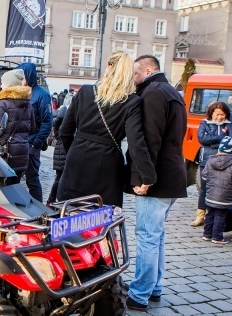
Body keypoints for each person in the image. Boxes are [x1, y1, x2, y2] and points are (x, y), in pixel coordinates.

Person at [126, 54, 187, 312]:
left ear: (149, 70)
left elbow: (150, 141)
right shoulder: (173, 92)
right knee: (157, 235)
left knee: (148, 236)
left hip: (158, 177)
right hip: (173, 174)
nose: (134, 79)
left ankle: (139, 292)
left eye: (136, 74)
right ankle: (155, 286)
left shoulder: (152, 93)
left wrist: (144, 178)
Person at [56, 52, 156, 208]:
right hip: (108, 162)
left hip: (77, 157)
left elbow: (64, 131)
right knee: (101, 216)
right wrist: (147, 175)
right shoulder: (132, 102)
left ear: (109, 67)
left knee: (69, 212)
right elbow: (136, 142)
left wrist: (74, 150)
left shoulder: (85, 92)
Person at [192, 102, 232, 226]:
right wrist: (221, 138)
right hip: (206, 160)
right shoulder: (204, 123)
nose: (220, 117)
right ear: (211, 114)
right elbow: (202, 139)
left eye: (222, 114)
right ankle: (200, 215)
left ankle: (214, 216)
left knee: (221, 188)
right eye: (217, 114)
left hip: (225, 162)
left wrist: (212, 141)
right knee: (204, 189)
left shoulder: (229, 125)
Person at [0, 69, 35, 181]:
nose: (1, 85)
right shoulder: (28, 104)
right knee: (15, 184)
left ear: (9, 85)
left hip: (6, 151)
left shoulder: (3, 103)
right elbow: (32, 128)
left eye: (3, 82)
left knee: (1, 187)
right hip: (22, 149)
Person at [17, 62, 52, 202]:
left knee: (32, 179)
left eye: (22, 76)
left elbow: (47, 122)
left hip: (31, 143)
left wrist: (36, 143)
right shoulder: (18, 93)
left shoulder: (41, 95)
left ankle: (39, 211)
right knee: (13, 180)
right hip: (17, 143)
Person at [202, 136, 232, 245]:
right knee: (220, 216)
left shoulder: (211, 160)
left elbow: (204, 176)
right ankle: (217, 237)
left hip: (210, 194)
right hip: (224, 197)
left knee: (210, 214)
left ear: (220, 149)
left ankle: (207, 234)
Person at [47, 102, 68, 206]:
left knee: (58, 179)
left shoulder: (58, 128)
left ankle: (51, 199)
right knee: (60, 179)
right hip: (63, 155)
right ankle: (54, 200)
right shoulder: (65, 127)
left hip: (59, 156)